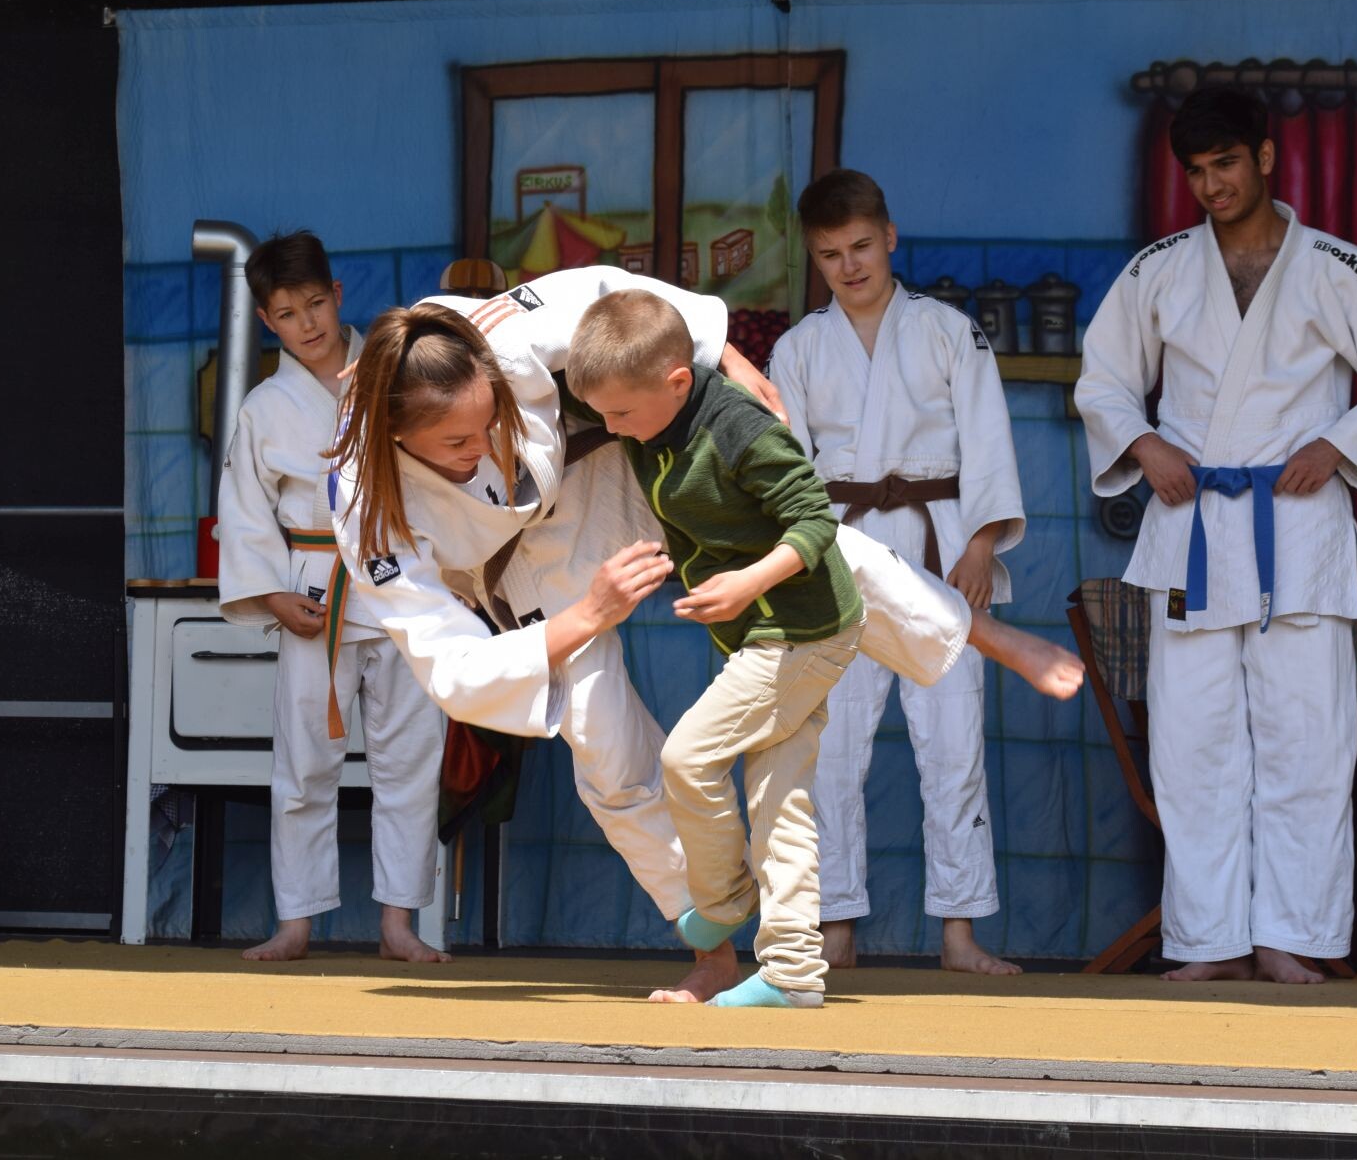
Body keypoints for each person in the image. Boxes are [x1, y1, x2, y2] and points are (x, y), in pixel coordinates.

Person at [328, 267, 1083, 1001]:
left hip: (595, 461)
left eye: (489, 419)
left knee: (777, 536)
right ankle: (712, 947)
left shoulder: (490, 334)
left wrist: (726, 358)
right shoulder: (364, 502)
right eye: (457, 443)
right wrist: (588, 613)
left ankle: (977, 629)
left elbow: (610, 294)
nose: (483, 445)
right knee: (607, 754)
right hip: (518, 573)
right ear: (396, 436)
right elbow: (451, 669)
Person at [1074, 87, 1357, 983]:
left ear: (1266, 158)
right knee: (1191, 745)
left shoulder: (1339, 269)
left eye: (1227, 163)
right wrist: (1144, 444)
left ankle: (1291, 936)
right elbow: (1103, 380)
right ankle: (1209, 941)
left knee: (1306, 742)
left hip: (1297, 528)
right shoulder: (1159, 270)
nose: (1212, 185)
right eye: (1197, 171)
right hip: (1190, 526)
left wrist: (1338, 443)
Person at [569, 290, 863, 1008]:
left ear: (677, 383)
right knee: (779, 802)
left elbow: (815, 518)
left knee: (687, 758)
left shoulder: (741, 429)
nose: (609, 428)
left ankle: (724, 902)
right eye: (600, 413)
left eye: (619, 414)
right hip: (767, 632)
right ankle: (793, 972)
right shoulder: (645, 414)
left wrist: (746, 584)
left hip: (800, 630)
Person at [770, 169, 1024, 976]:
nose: (849, 266)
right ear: (815, 258)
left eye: (861, 247)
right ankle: (835, 924)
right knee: (829, 746)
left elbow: (987, 439)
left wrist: (981, 543)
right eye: (830, 254)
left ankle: (960, 932)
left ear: (890, 237)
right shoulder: (798, 348)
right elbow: (787, 464)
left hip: (938, 544)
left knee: (953, 742)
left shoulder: (949, 331)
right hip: (839, 546)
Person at [214, 231, 448, 964]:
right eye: (286, 314)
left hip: (403, 582)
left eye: (315, 304)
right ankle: (295, 922)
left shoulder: (395, 372)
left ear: (337, 295)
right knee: (304, 765)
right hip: (314, 593)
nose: (307, 323)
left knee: (410, 760)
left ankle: (399, 923)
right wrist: (271, 594)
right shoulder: (264, 407)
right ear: (266, 321)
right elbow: (245, 511)